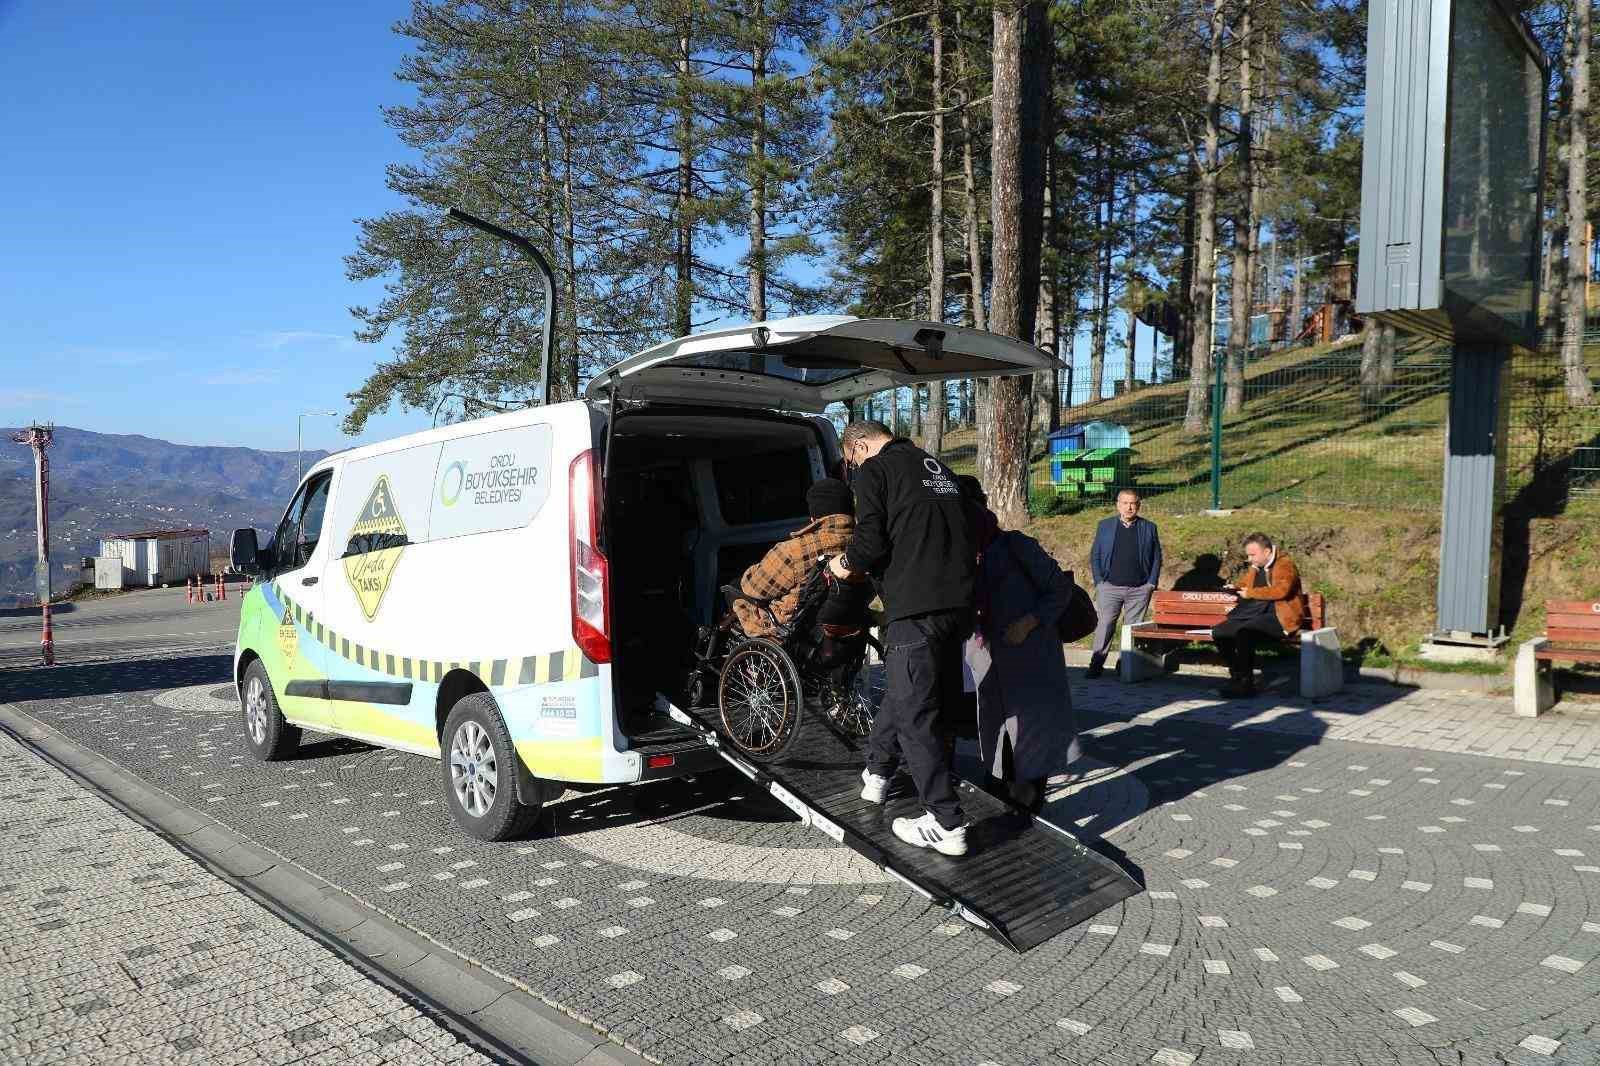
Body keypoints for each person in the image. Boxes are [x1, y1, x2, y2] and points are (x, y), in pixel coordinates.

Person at [829, 421, 975, 857]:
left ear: (859, 446)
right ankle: (876, 774)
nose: (852, 468)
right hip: (957, 606)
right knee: (903, 688)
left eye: (850, 459)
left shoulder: (876, 471)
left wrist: (844, 563)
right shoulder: (936, 467)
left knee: (916, 715)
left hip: (916, 606)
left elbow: (870, 541)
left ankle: (946, 823)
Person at [960, 476, 1080, 816]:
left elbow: (1060, 589)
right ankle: (1002, 802)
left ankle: (1026, 808)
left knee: (1030, 739)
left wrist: (1029, 622)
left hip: (1031, 658)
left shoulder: (1016, 546)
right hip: (992, 663)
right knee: (997, 734)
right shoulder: (968, 557)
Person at [733, 478, 858, 639]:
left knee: (734, 588)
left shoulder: (795, 550)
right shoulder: (862, 545)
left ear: (815, 516)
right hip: (842, 627)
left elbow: (753, 588)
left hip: (789, 629)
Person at [1212, 532, 1306, 698]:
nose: (1249, 559)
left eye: (1252, 555)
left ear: (1267, 552)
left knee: (1244, 633)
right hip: (1256, 613)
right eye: (1248, 555)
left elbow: (1281, 591)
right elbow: (1246, 585)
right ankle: (1237, 675)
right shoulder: (1256, 567)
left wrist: (1251, 593)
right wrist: (1234, 588)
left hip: (1281, 616)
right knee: (1220, 631)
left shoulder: (1284, 564)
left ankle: (1246, 684)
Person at [1086, 488, 1162, 679]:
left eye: (1133, 503)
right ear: (1118, 505)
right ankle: (1096, 663)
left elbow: (1156, 558)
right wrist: (1099, 581)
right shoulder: (1105, 526)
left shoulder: (1149, 527)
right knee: (1105, 625)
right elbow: (1095, 555)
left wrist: (1151, 583)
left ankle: (1124, 665)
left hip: (1139, 588)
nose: (1129, 507)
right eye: (1125, 503)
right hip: (1109, 587)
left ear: (1139, 505)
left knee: (1131, 630)